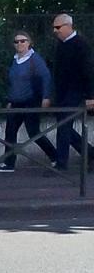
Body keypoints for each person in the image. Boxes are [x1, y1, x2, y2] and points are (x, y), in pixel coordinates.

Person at [0, 31, 57, 172]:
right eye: (16, 42)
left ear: (29, 42)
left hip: (30, 100)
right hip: (16, 102)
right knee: (10, 132)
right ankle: (9, 163)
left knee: (33, 132)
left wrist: (46, 97)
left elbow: (46, 77)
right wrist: (10, 100)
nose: (20, 44)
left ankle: (55, 156)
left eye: (23, 41)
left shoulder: (35, 60)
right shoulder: (15, 60)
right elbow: (14, 83)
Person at [48, 14, 94, 172]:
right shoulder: (61, 44)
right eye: (54, 28)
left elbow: (88, 71)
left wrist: (90, 96)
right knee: (64, 126)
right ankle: (91, 154)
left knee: (63, 127)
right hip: (63, 93)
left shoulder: (81, 45)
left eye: (58, 27)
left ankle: (61, 164)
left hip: (76, 92)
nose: (55, 31)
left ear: (69, 26)